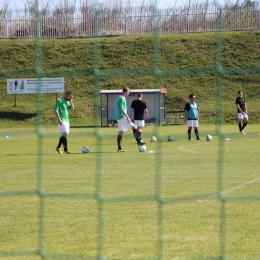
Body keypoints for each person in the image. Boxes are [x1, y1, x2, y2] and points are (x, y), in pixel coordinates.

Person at [115, 87, 146, 152]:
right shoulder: (121, 98)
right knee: (134, 127)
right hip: (122, 117)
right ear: (126, 91)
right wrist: (127, 117)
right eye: (128, 92)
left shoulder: (121, 98)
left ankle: (119, 149)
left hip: (119, 117)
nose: (129, 93)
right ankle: (138, 142)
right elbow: (121, 109)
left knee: (121, 132)